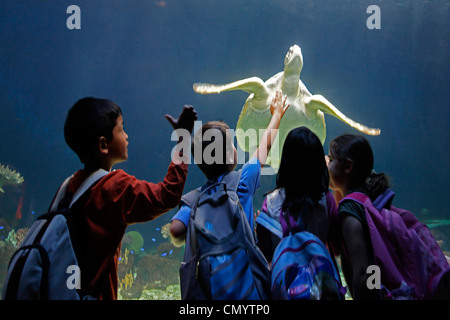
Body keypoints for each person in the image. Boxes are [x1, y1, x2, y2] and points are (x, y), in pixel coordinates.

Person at [63, 97, 197, 299]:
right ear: (103, 145)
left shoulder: (70, 185)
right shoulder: (115, 187)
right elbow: (168, 196)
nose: (126, 136)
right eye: (121, 129)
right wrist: (184, 139)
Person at [169, 90, 289, 248]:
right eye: (232, 143)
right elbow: (264, 146)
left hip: (211, 271)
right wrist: (277, 114)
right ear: (228, 154)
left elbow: (176, 231)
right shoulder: (242, 182)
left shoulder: (194, 200)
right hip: (244, 271)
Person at [256, 126, 339, 265]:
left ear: (286, 162)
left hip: (284, 283)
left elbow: (264, 255)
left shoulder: (271, 202)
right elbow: (336, 249)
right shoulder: (326, 200)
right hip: (319, 282)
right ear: (319, 164)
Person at [326, 134, 385, 300]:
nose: (327, 165)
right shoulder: (366, 198)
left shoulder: (349, 208)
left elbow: (363, 272)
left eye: (330, 160)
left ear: (347, 166)